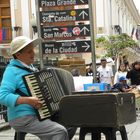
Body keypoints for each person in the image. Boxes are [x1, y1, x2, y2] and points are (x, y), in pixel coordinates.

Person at [0, 36, 69, 140]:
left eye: (33, 50)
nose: (33, 53)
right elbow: (2, 96)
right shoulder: (12, 71)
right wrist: (28, 100)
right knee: (59, 131)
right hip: (22, 117)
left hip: (39, 115)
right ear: (18, 54)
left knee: (70, 125)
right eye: (29, 51)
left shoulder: (32, 69)